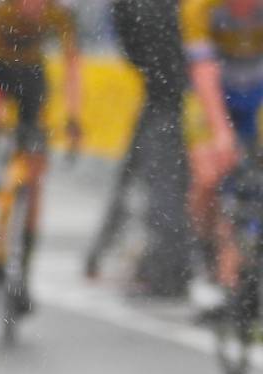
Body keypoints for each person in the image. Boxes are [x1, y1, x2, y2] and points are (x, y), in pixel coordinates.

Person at [0, 0, 82, 313]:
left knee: (35, 173)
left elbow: (72, 66)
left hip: (31, 79)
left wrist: (73, 117)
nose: (35, 7)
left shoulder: (60, 14)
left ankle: (23, 278)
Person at [86, 0, 191, 298]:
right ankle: (166, 268)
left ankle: (165, 269)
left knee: (161, 185)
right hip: (171, 92)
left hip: (164, 92)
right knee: (164, 183)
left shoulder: (137, 9)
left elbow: (128, 39)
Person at [180, 0, 263, 316]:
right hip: (213, 94)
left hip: (256, 92)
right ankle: (206, 263)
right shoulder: (200, 8)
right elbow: (203, 71)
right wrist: (221, 131)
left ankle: (242, 273)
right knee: (208, 174)